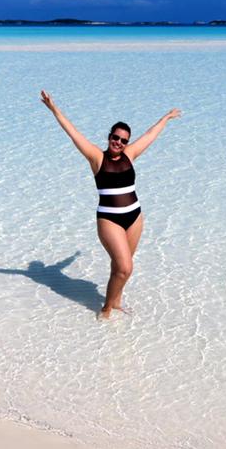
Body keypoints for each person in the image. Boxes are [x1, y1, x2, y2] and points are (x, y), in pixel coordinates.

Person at [40, 90, 181, 319]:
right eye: (115, 138)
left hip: (134, 217)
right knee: (125, 267)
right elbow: (74, 133)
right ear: (109, 137)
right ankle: (105, 310)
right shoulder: (97, 157)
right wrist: (54, 108)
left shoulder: (130, 154)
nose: (119, 142)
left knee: (121, 268)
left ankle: (116, 302)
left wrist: (166, 117)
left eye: (124, 140)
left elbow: (150, 135)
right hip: (109, 219)